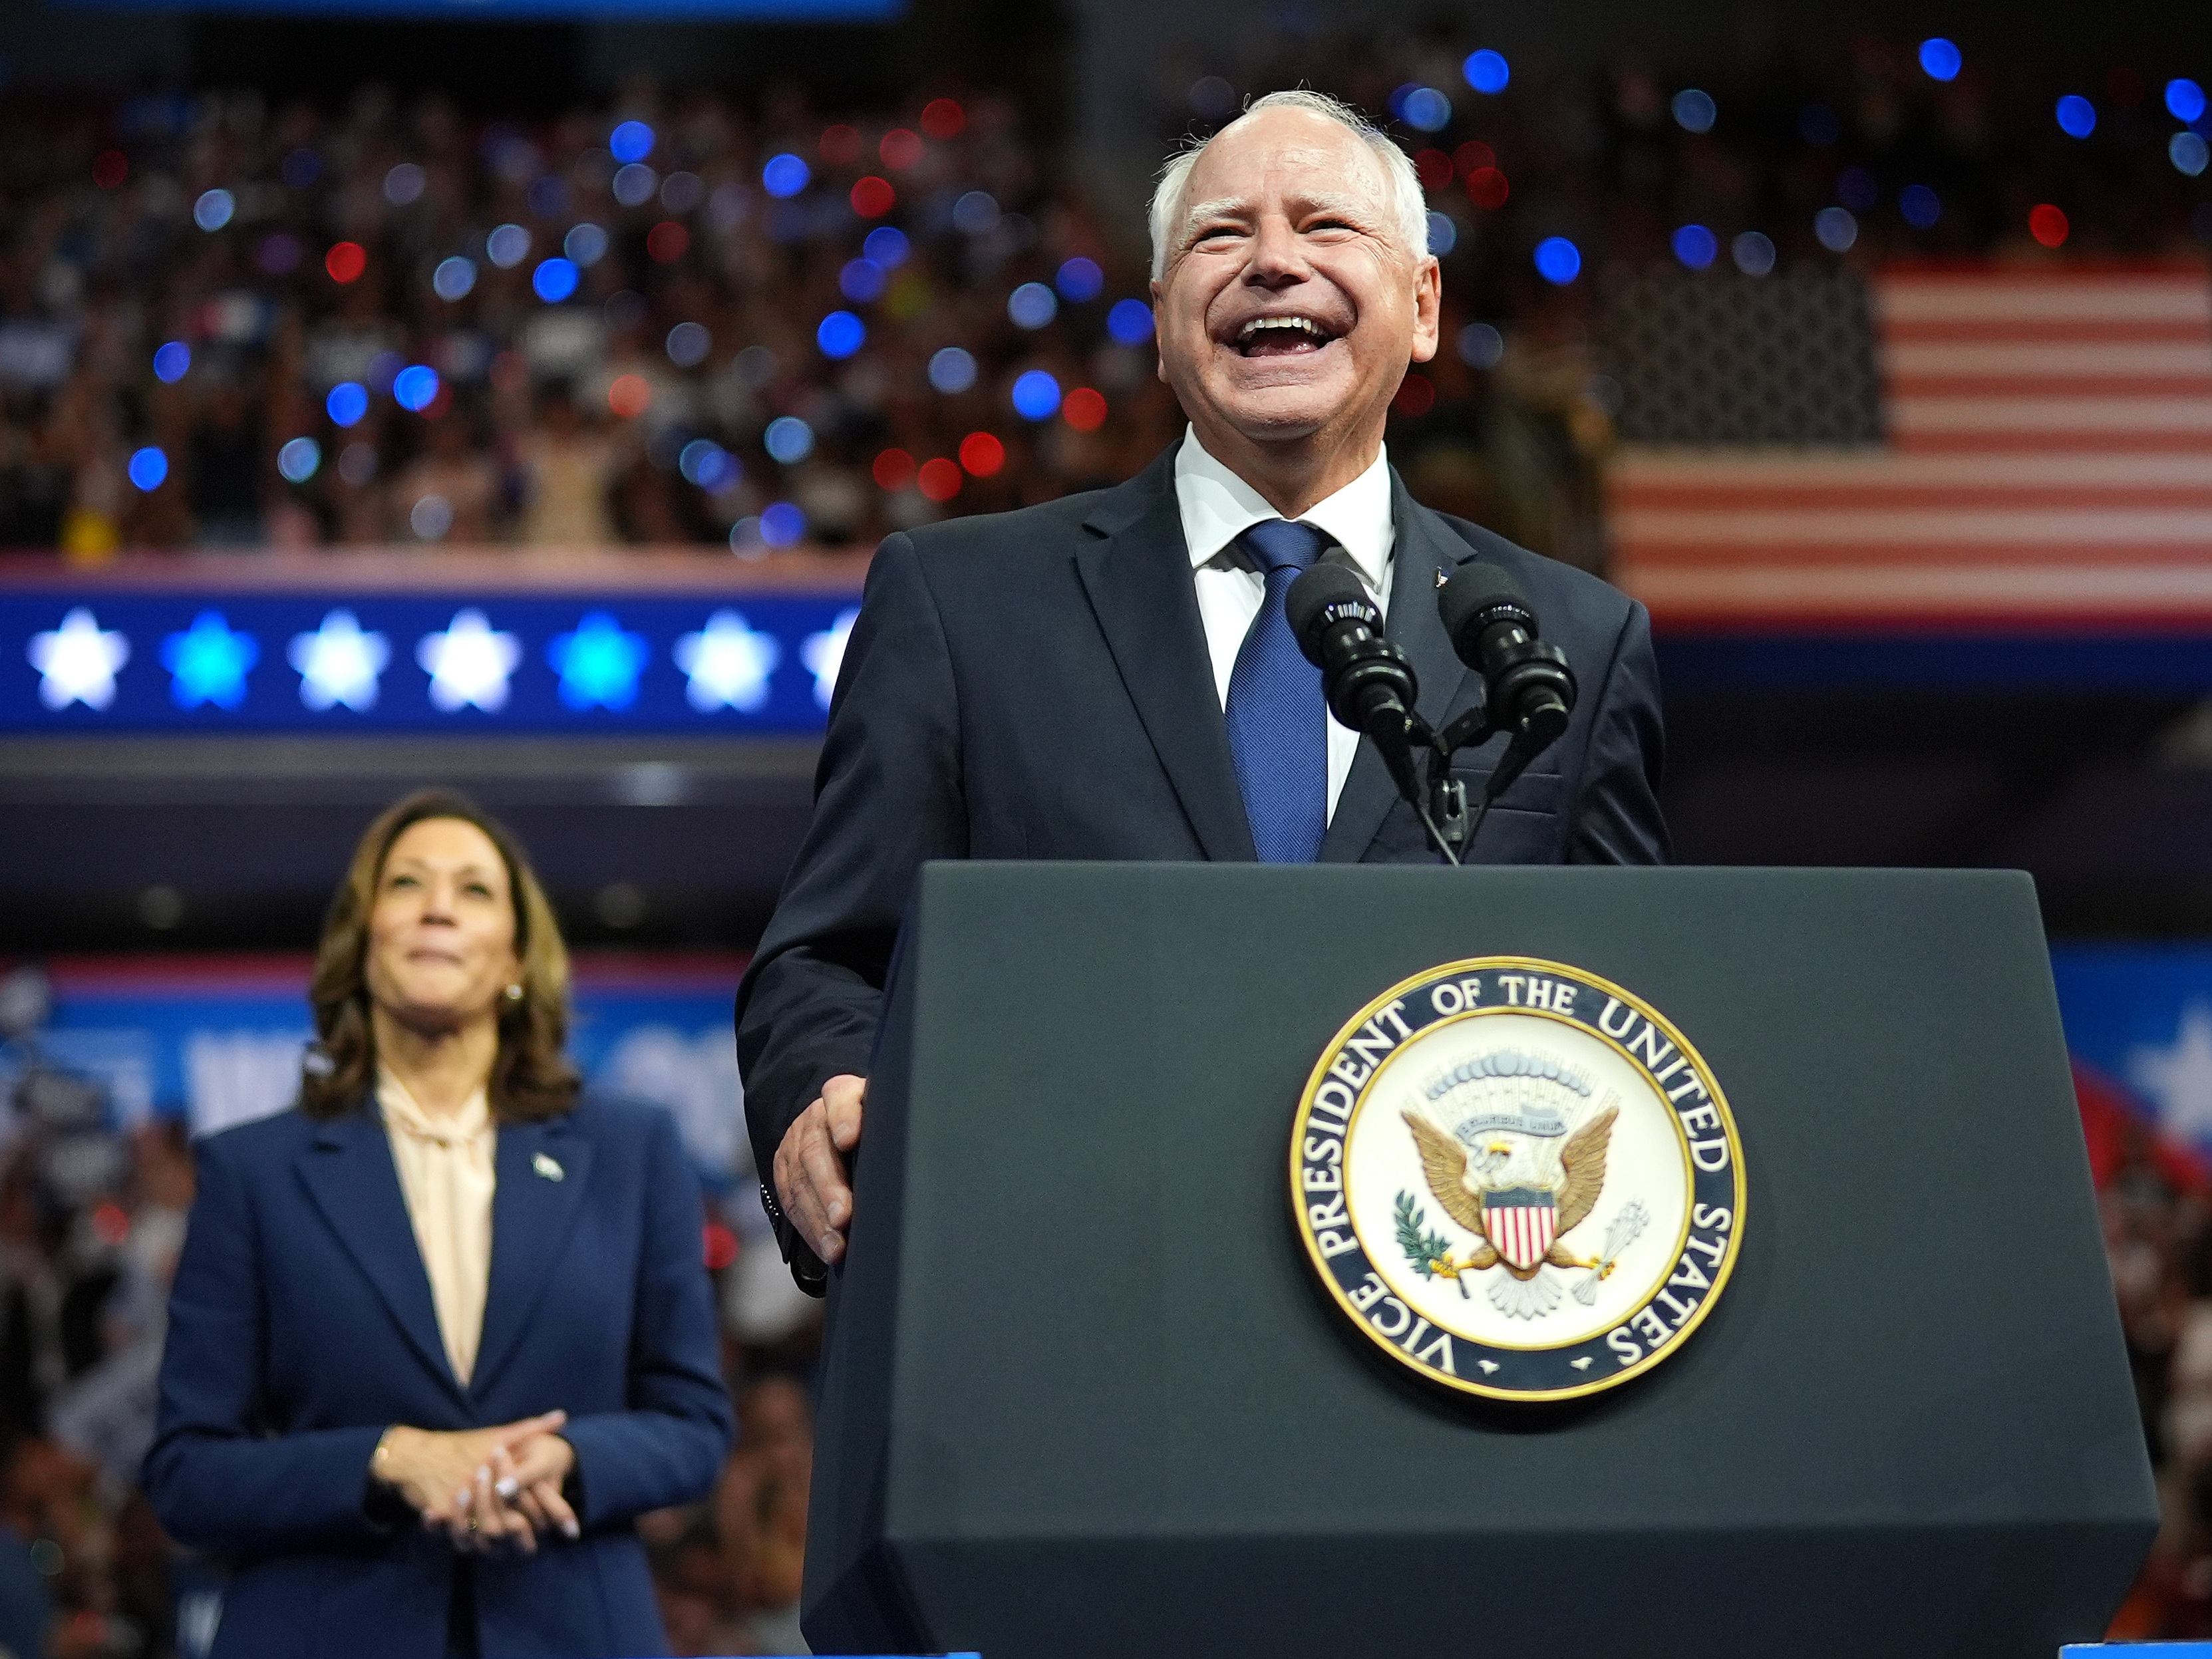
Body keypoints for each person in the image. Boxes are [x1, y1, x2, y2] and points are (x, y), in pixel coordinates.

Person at [734, 90, 1668, 1290]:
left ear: (1423, 307)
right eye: (1222, 237)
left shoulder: (1567, 642)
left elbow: (1633, 1004)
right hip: (1061, 1289)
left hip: (1447, 1335)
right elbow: (827, 956)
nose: (1274, 261)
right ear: (1165, 322)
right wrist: (823, 1094)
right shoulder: (962, 604)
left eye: (1326, 226)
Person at [144, 790, 731, 1658]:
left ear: (516, 957)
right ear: (363, 939)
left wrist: (568, 1458)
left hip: (571, 1626)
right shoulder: (251, 1170)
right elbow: (186, 1473)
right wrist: (390, 1458)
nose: (437, 905)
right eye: (407, 883)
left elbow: (694, 1425)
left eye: (474, 889)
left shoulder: (630, 1147)